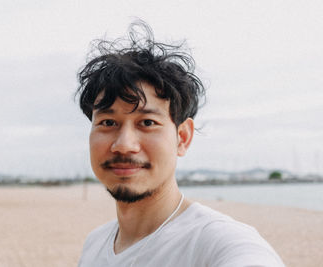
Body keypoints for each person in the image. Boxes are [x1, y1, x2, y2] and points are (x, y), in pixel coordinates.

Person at [76, 21, 285, 267]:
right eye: (108, 122)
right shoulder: (95, 244)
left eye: (147, 122)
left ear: (182, 137)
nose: (124, 145)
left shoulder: (218, 242)